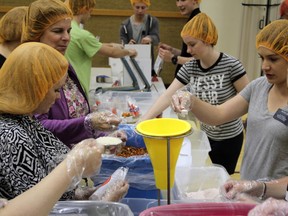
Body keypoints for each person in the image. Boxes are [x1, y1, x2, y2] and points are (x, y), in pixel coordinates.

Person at [171, 19, 288, 180]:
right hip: (247, 190)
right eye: (262, 58)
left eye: (273, 59)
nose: (264, 66)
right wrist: (191, 100)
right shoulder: (258, 87)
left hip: (277, 201)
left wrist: (263, 188)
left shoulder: (232, 65)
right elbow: (218, 115)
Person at [139, 13, 249, 175]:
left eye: (192, 45)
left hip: (229, 137)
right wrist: (142, 122)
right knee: (210, 176)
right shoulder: (190, 68)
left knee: (224, 178)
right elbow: (167, 95)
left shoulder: (231, 65)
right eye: (187, 45)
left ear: (208, 39)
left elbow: (249, 98)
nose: (188, 50)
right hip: (207, 134)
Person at [22, 0, 126, 148]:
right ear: (37, 33)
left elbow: (77, 114)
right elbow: (36, 127)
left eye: (68, 31)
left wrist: (103, 135)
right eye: (58, 31)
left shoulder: (63, 63)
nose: (67, 37)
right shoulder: (30, 71)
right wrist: (88, 124)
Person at [64, 0, 138, 95]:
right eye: (90, 12)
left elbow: (94, 45)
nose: (90, 16)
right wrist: (129, 52)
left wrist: (111, 44)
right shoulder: (82, 35)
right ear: (84, 10)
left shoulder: (69, 30)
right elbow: (112, 53)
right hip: (78, 86)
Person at [158, 0, 201, 77]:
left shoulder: (197, 22)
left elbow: (200, 60)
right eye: (177, 0)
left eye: (183, 0)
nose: (179, 4)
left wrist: (173, 58)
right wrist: (172, 50)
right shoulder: (192, 20)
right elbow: (189, 54)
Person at [120, 0, 160, 76]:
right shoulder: (125, 25)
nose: (140, 11)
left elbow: (157, 39)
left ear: (147, 7)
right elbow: (122, 46)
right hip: (131, 62)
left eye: (143, 7)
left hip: (147, 62)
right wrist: (128, 45)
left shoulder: (152, 21)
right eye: (137, 7)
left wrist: (150, 38)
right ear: (133, 6)